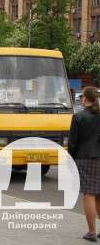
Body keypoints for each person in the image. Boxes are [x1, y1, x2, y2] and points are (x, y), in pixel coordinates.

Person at [68, 87, 100, 242]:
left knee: (89, 193)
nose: (81, 100)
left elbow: (73, 143)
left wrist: (70, 160)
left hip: (85, 158)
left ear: (86, 99)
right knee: (99, 194)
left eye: (82, 97)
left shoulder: (79, 117)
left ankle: (92, 232)